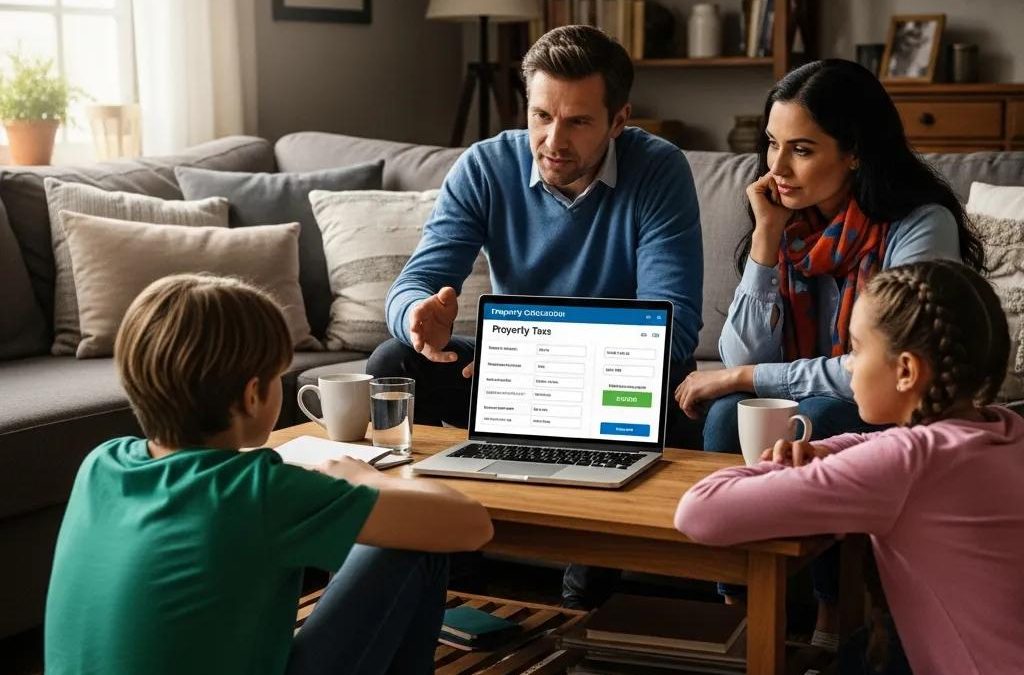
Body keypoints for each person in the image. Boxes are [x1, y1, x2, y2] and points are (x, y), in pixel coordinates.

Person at [368, 25, 704, 609]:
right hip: (515, 368)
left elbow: (675, 324)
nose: (553, 140)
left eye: (578, 121)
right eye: (541, 115)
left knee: (680, 398)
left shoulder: (659, 170)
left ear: (619, 121)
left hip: (617, 375)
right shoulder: (485, 167)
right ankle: (458, 581)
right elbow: (414, 285)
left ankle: (584, 594)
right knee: (393, 361)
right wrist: (417, 318)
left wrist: (539, 362)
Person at [672, 58, 985, 640]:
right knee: (724, 418)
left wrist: (745, 378)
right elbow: (744, 350)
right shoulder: (787, 222)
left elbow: (891, 371)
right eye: (772, 145)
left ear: (855, 152)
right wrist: (765, 238)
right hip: (827, 397)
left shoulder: (919, 223)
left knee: (807, 418)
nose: (777, 168)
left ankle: (831, 609)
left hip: (900, 410)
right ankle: (743, 606)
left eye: (802, 150)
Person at [44, 274, 493, 675]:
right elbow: (472, 525)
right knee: (414, 544)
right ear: (253, 395)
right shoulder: (257, 490)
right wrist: (368, 480)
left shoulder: (100, 464)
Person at [675, 260, 1024, 675]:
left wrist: (771, 465)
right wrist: (826, 451)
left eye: (856, 350)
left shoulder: (904, 463)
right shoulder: (1005, 428)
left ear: (906, 371)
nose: (848, 365)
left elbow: (699, 511)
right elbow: (877, 445)